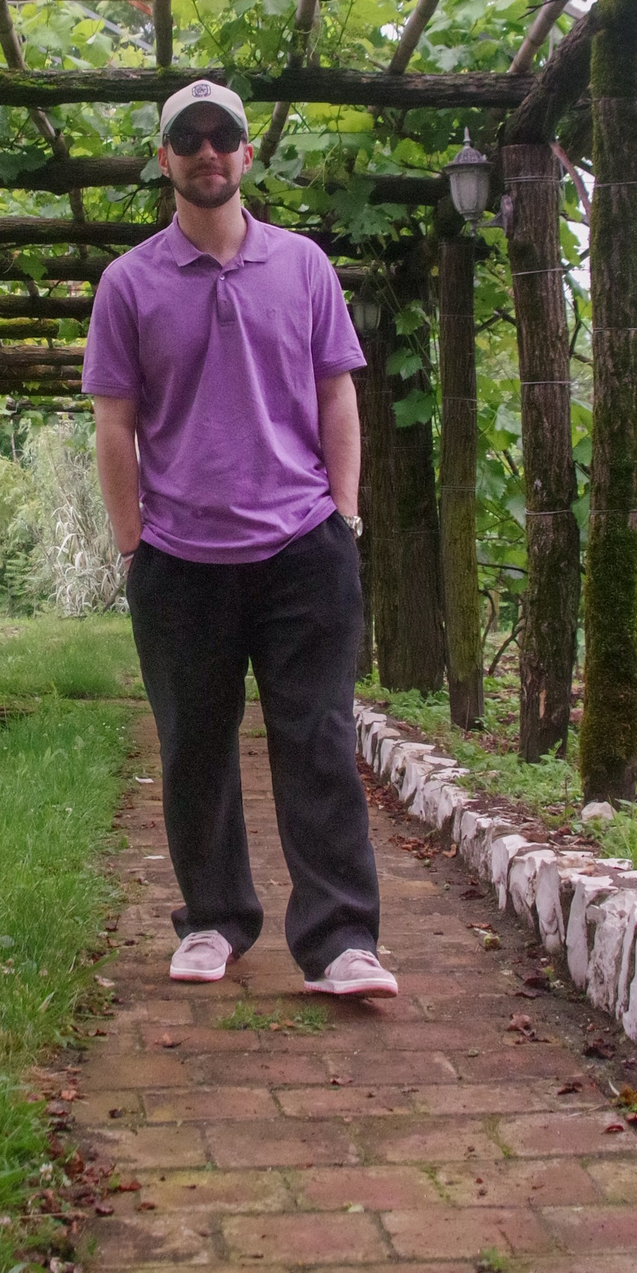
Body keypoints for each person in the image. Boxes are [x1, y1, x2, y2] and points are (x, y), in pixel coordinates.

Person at [83, 78, 397, 998]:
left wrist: (344, 514)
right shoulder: (129, 283)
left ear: (248, 156)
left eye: (225, 138)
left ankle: (341, 940)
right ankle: (214, 920)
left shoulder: (304, 267)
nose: (208, 152)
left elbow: (338, 390)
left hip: (305, 546)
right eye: (191, 140)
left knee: (319, 739)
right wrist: (134, 543)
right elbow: (115, 423)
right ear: (166, 159)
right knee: (196, 746)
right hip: (181, 559)